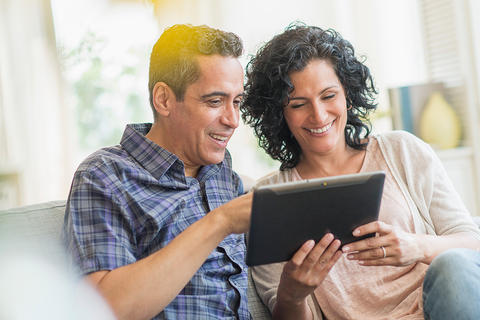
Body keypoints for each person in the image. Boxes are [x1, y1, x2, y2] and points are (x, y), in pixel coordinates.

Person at [241, 24, 480, 320]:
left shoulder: (401, 151)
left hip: (439, 310)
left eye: (328, 96)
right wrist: (292, 293)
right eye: (299, 104)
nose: (318, 115)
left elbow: (472, 243)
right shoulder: (266, 199)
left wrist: (415, 246)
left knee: (453, 265)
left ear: (348, 96)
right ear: (280, 114)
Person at [63, 24, 253, 320]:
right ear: (164, 99)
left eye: (237, 102)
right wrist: (220, 222)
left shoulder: (222, 171)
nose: (233, 120)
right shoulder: (105, 176)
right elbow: (104, 310)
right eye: (215, 101)